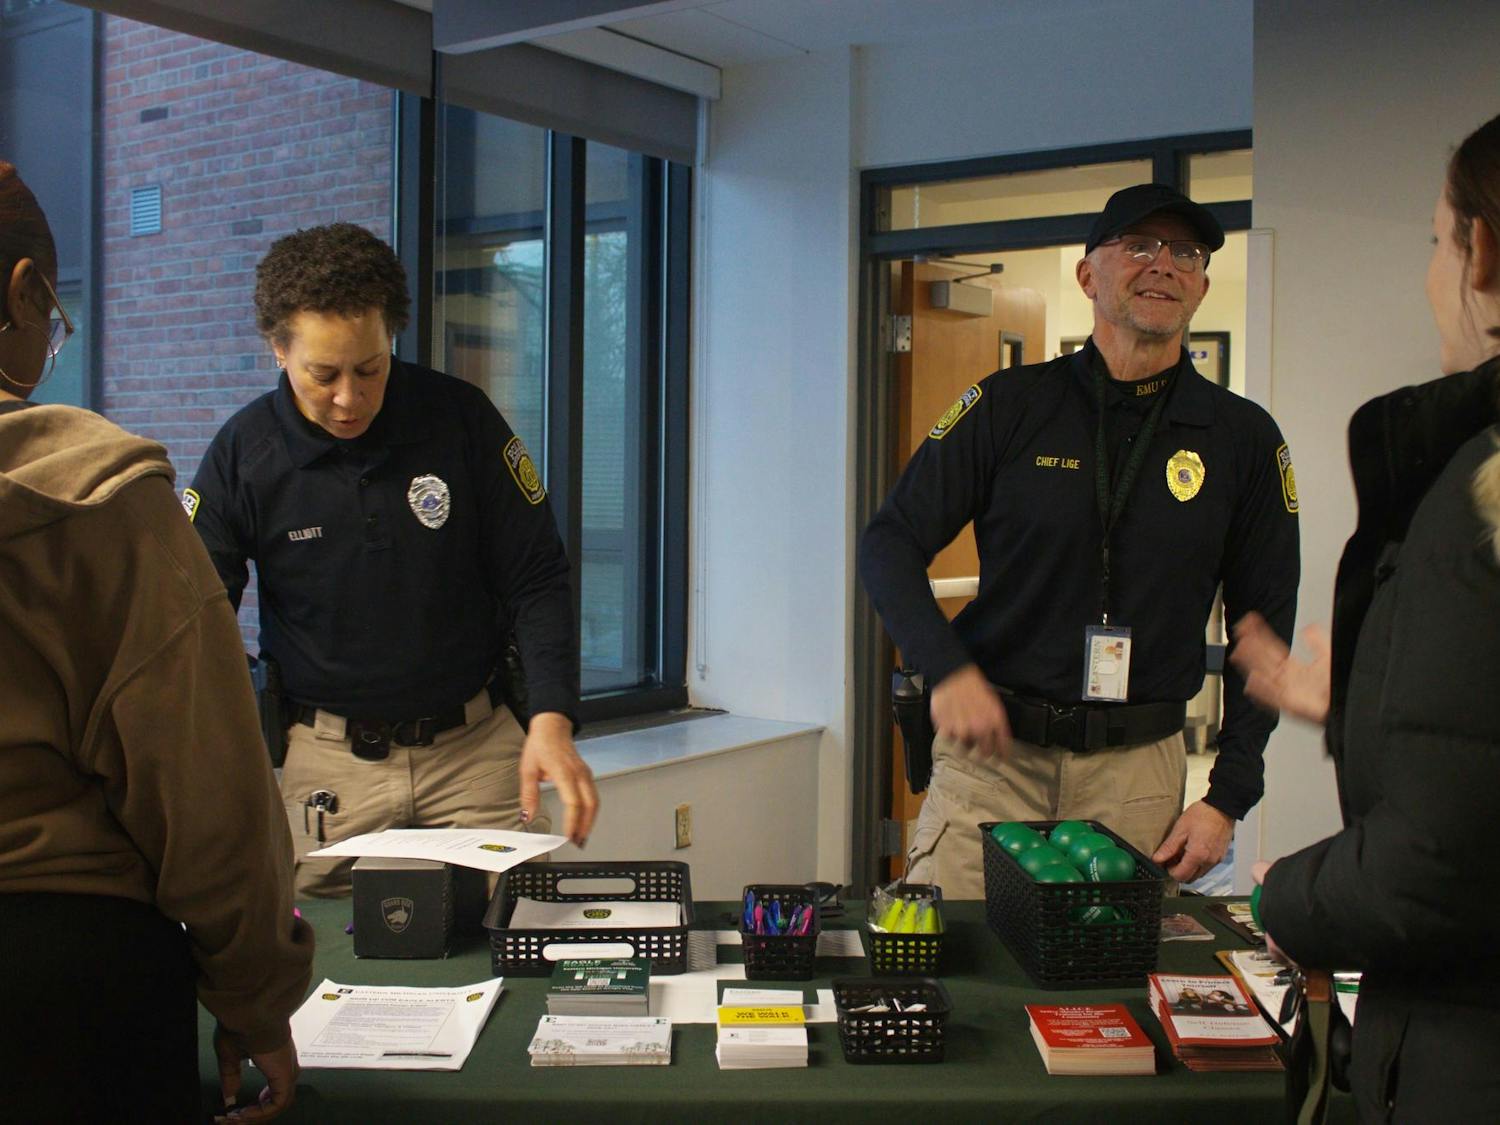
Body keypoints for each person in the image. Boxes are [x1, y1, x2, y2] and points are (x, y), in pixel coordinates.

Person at [859, 183, 1300, 898]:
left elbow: (1264, 629)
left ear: (1202, 285)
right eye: (1140, 245)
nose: (1164, 263)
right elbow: (890, 541)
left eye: (1184, 252)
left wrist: (1227, 795)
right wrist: (947, 668)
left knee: (1110, 992)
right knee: (962, 973)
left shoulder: (1243, 439)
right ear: (1088, 275)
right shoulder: (1010, 405)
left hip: (1136, 776)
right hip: (993, 760)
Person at [0, 161, 313, 1121]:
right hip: (59, 988)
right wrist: (255, 996)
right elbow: (208, 795)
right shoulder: (92, 498)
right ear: (23, 294)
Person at [187, 223, 599, 897]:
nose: (349, 398)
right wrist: (223, 751)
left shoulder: (460, 419)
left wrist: (552, 718)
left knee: (516, 937)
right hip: (329, 766)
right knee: (313, 967)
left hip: (476, 751)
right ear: (278, 349)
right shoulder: (244, 454)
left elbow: (537, 576)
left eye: (369, 369)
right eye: (324, 375)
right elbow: (194, 619)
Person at [1236, 113, 1500, 1118]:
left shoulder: (1480, 505)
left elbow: (1429, 870)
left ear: (1479, 253)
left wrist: (1281, 900)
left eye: (1439, 239)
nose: (1432, 270)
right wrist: (1362, 703)